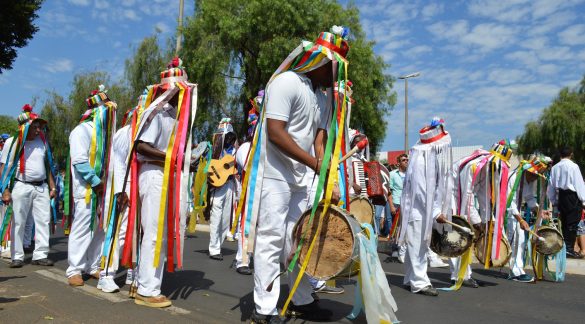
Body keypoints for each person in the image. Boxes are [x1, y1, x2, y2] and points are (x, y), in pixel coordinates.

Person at [244, 26, 349, 323]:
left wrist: (321, 162)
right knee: (271, 239)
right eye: (334, 68)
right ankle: (264, 308)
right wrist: (313, 163)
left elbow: (318, 136)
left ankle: (300, 299)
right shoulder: (286, 82)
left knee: (301, 240)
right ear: (321, 61)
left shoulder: (324, 97)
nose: (335, 76)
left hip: (304, 177)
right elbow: (275, 133)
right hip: (276, 173)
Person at [130, 57, 197, 308]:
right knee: (154, 232)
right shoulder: (157, 113)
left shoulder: (177, 118)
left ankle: (146, 282)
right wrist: (173, 157)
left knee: (162, 232)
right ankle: (147, 289)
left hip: (167, 174)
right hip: (155, 174)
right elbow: (141, 146)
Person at [65, 86, 117, 286]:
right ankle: (74, 269)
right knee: (83, 228)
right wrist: (96, 182)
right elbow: (79, 161)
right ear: (98, 111)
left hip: (104, 189)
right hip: (87, 190)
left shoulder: (105, 134)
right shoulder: (81, 131)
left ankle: (92, 265)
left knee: (101, 229)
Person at [399, 117, 452, 297]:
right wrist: (436, 212)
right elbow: (422, 191)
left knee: (414, 246)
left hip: (421, 209)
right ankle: (419, 283)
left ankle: (409, 279)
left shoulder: (423, 157)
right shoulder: (421, 160)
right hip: (418, 210)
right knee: (418, 246)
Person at [1, 104, 56, 268]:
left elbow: (48, 166)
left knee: (43, 221)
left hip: (41, 187)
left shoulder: (42, 142)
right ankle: (17, 256)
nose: (39, 130)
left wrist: (52, 186)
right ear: (25, 127)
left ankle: (40, 255)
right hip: (21, 186)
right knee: (19, 221)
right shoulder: (12, 142)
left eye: (39, 127)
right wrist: (5, 190)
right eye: (35, 127)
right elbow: (4, 168)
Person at [507, 155, 552, 282]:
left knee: (519, 240)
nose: (536, 178)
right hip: (508, 211)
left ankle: (517, 270)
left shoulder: (529, 180)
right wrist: (520, 219)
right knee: (517, 239)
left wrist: (539, 211)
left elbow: (530, 199)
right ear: (528, 171)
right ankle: (516, 272)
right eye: (535, 175)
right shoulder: (514, 177)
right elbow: (509, 202)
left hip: (515, 212)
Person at [208, 118, 238, 260]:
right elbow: (209, 167)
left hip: (230, 185)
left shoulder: (235, 151)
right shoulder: (215, 151)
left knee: (226, 218)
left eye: (231, 136)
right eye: (227, 136)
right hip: (218, 186)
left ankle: (218, 245)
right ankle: (214, 249)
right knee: (216, 216)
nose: (229, 139)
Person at [547, 147, 585, 259]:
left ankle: (566, 247)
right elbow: (579, 184)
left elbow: (551, 186)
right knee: (572, 223)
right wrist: (583, 200)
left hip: (562, 196)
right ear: (571, 154)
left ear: (560, 155)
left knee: (564, 222)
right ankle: (568, 249)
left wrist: (553, 200)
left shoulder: (555, 167)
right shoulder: (574, 166)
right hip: (572, 197)